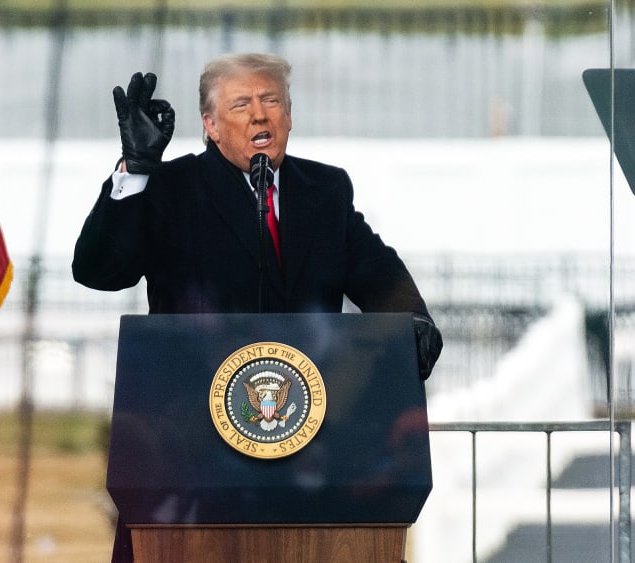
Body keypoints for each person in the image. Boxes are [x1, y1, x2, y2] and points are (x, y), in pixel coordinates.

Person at [72, 53, 442, 562]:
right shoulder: (172, 189)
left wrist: (414, 319)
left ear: (289, 116)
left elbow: (377, 270)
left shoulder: (325, 191)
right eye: (241, 104)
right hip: (193, 454)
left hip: (311, 448)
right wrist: (135, 170)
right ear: (210, 125)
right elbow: (98, 271)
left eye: (271, 101)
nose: (259, 115)